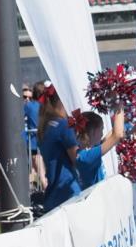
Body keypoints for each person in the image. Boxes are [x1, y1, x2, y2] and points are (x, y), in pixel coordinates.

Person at [38, 83, 81, 212]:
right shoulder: (63, 125)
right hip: (68, 192)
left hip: (53, 193)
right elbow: (79, 160)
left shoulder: (45, 126)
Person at [75, 107, 125, 189]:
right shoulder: (86, 157)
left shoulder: (88, 148)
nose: (102, 134)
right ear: (93, 132)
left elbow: (111, 136)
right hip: (96, 196)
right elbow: (117, 135)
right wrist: (119, 104)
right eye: (101, 130)